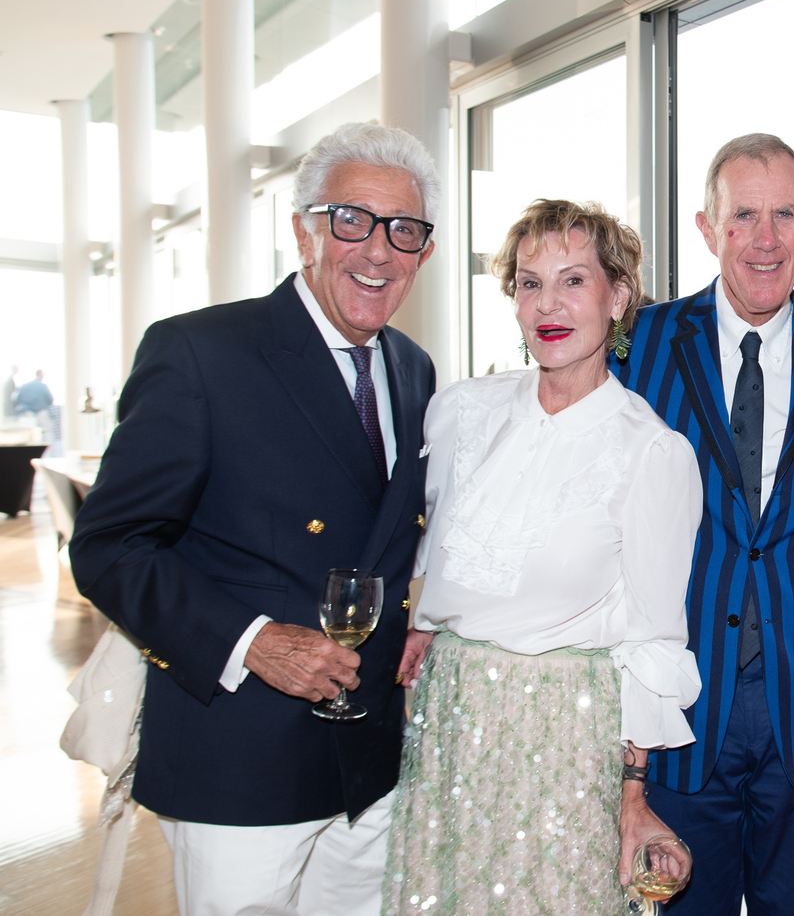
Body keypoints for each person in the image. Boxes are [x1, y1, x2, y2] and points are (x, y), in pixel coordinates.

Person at [69, 121, 440, 916]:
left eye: (403, 231)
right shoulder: (202, 354)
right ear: (303, 229)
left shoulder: (413, 369)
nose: (377, 251)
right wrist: (253, 641)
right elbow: (109, 546)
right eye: (352, 220)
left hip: (369, 759)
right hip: (240, 754)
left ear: (423, 253)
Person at [383, 199, 703, 914]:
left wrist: (632, 794)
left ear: (618, 298)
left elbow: (653, 639)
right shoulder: (462, 412)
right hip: (451, 731)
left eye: (573, 281)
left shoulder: (652, 453)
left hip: (564, 744)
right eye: (529, 284)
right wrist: (424, 620)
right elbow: (433, 544)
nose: (547, 305)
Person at [612, 133, 794, 914]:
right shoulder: (644, 344)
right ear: (707, 227)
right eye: (744, 216)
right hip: (681, 707)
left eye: (785, 215)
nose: (765, 239)